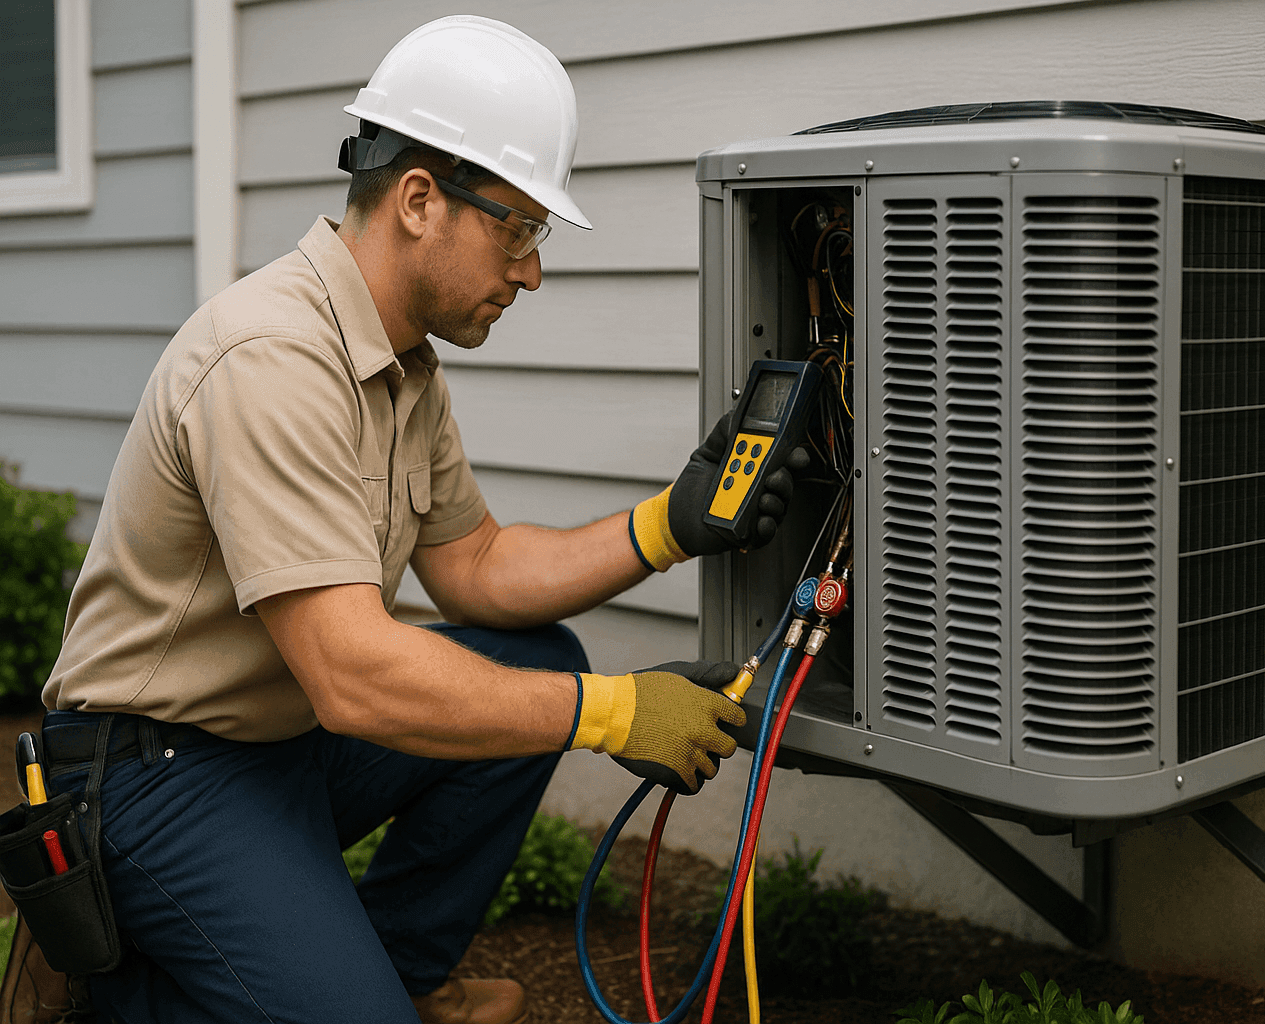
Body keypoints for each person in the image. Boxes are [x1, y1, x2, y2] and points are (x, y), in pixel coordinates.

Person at [36, 16, 805, 1024]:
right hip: (151, 774)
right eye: (518, 230)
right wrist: (615, 712)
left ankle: (394, 974)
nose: (531, 271)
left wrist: (668, 526)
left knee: (538, 658)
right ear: (417, 200)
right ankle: (135, 991)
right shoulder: (269, 358)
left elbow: (475, 565)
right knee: (550, 695)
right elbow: (353, 673)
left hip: (282, 744)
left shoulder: (403, 365)